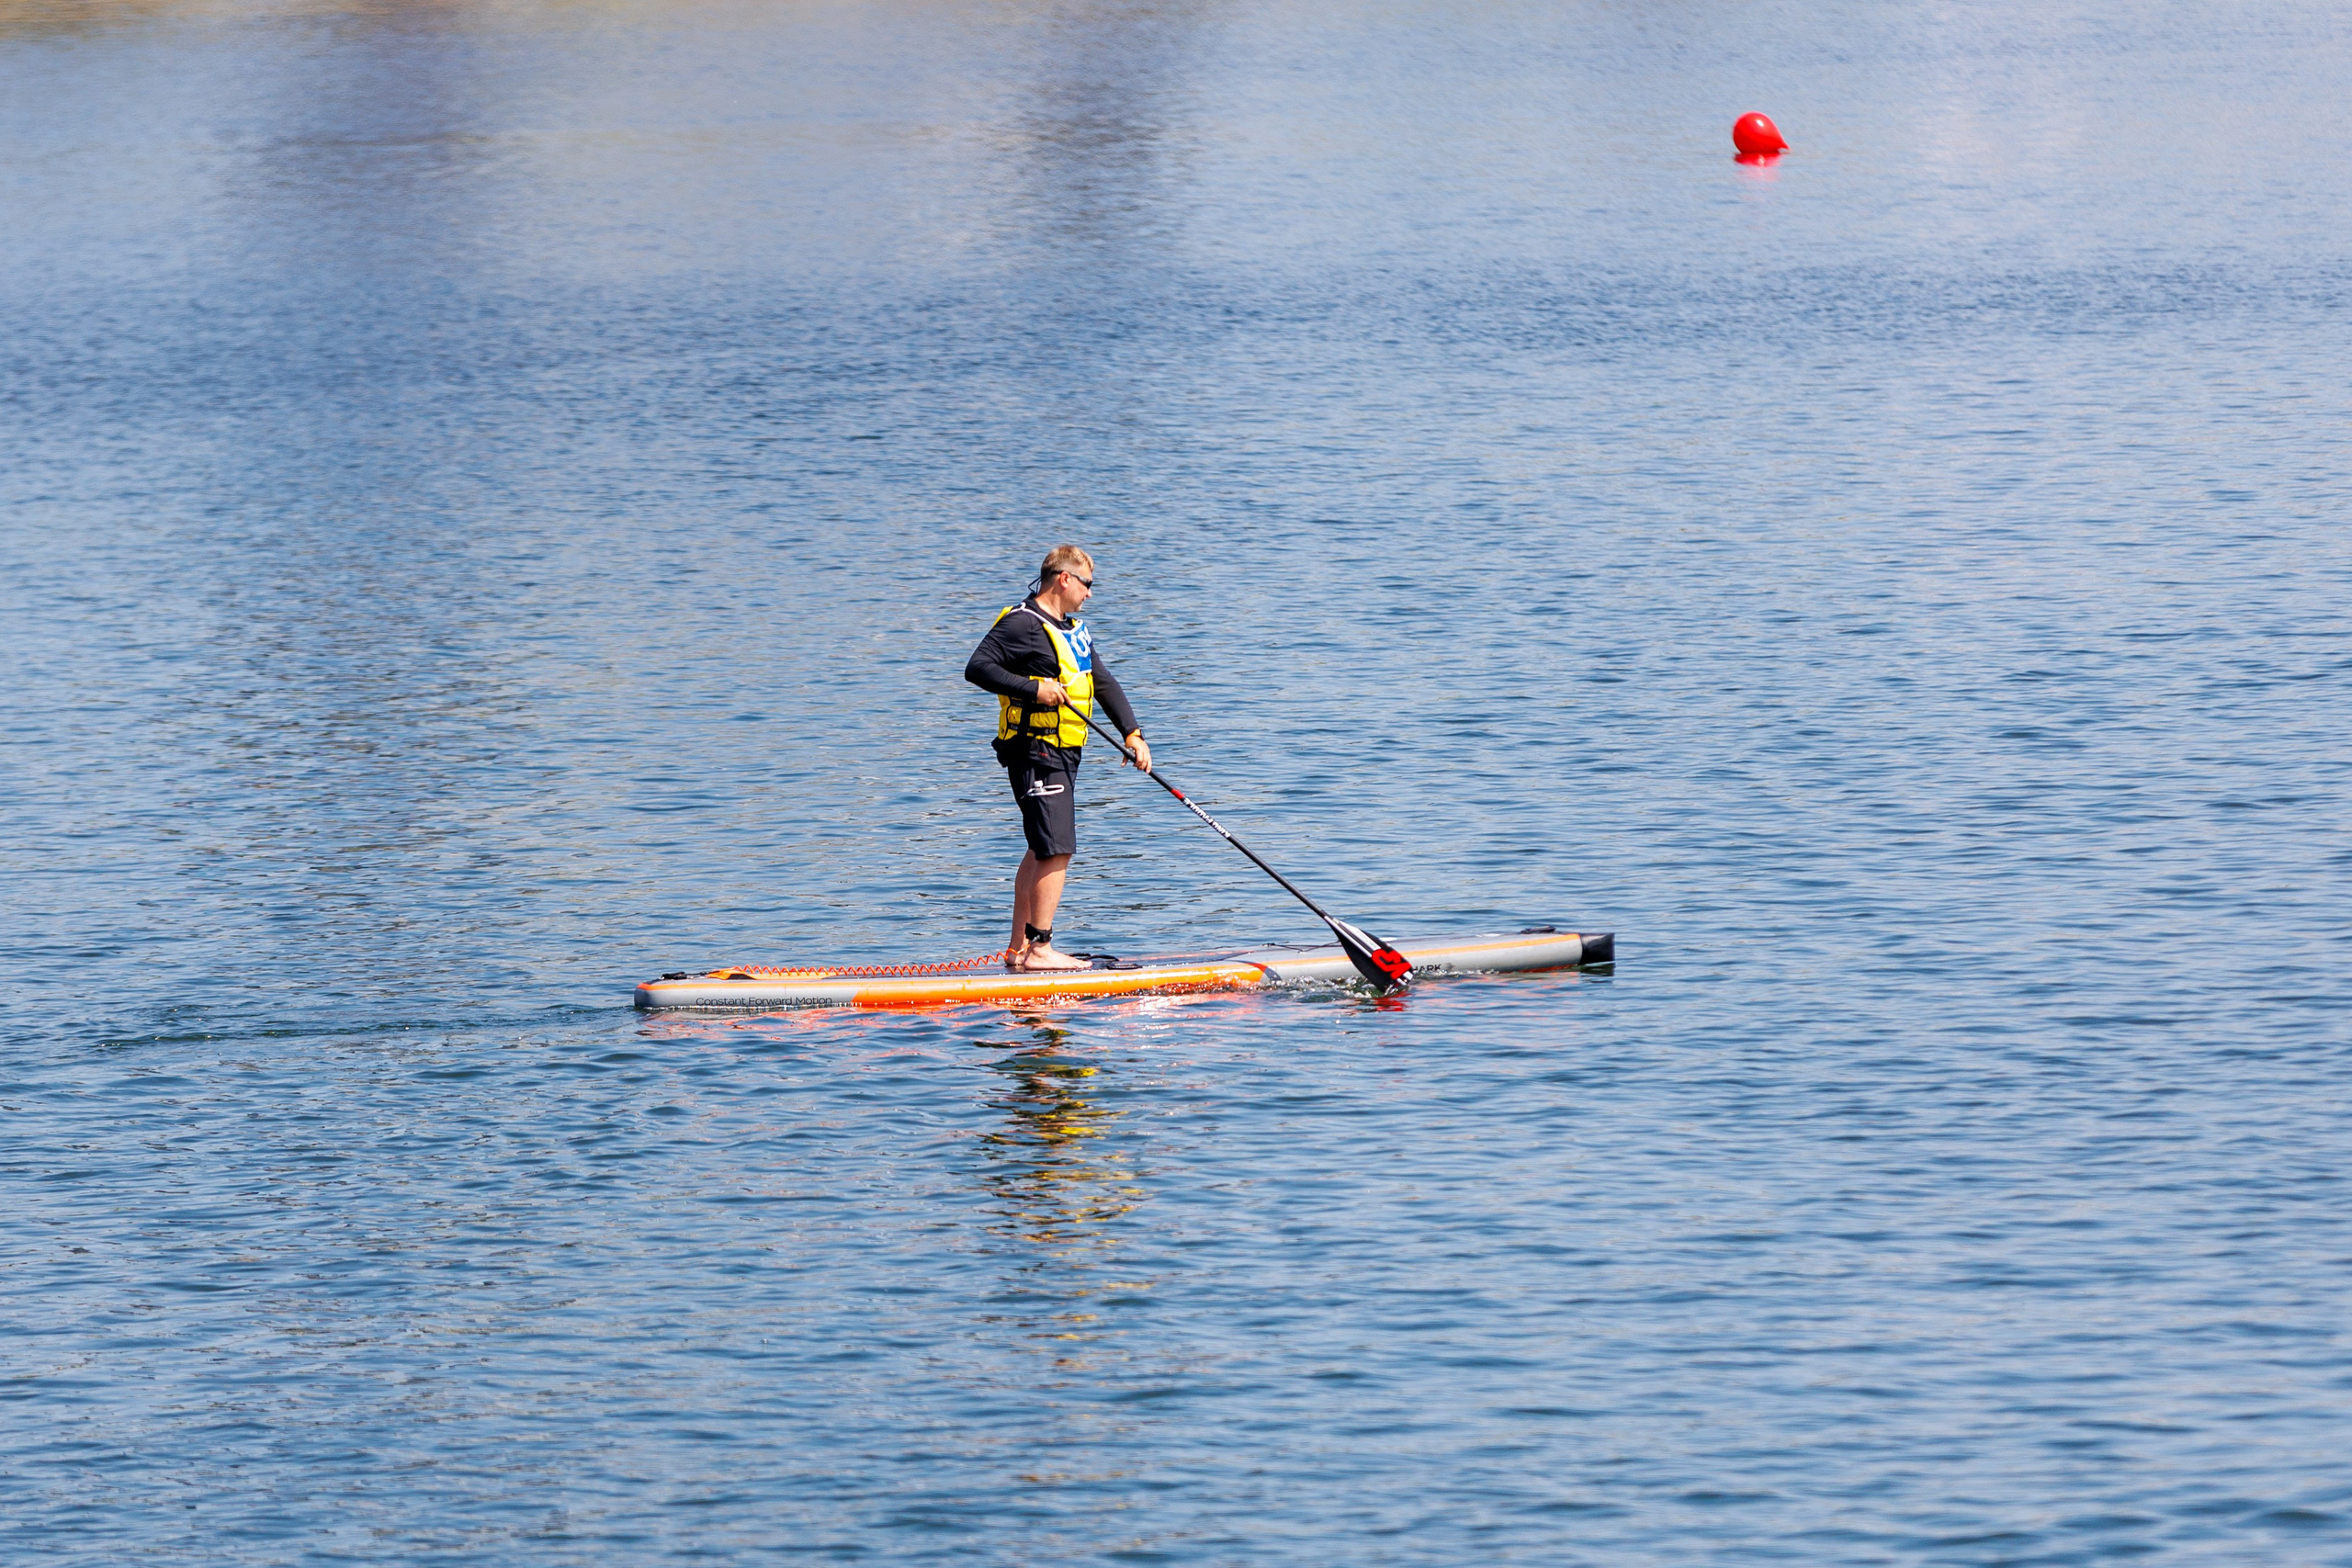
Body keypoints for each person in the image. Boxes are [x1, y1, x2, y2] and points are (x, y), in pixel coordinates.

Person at [964, 546, 1152, 971]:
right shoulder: (1022, 623)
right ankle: (1041, 949)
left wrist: (1133, 733)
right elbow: (977, 667)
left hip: (1064, 752)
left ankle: (1018, 950)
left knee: (1040, 846)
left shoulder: (1073, 631)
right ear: (1064, 579)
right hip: (1036, 751)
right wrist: (1035, 689)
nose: (1090, 594)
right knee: (1056, 847)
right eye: (1088, 584)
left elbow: (1102, 682)